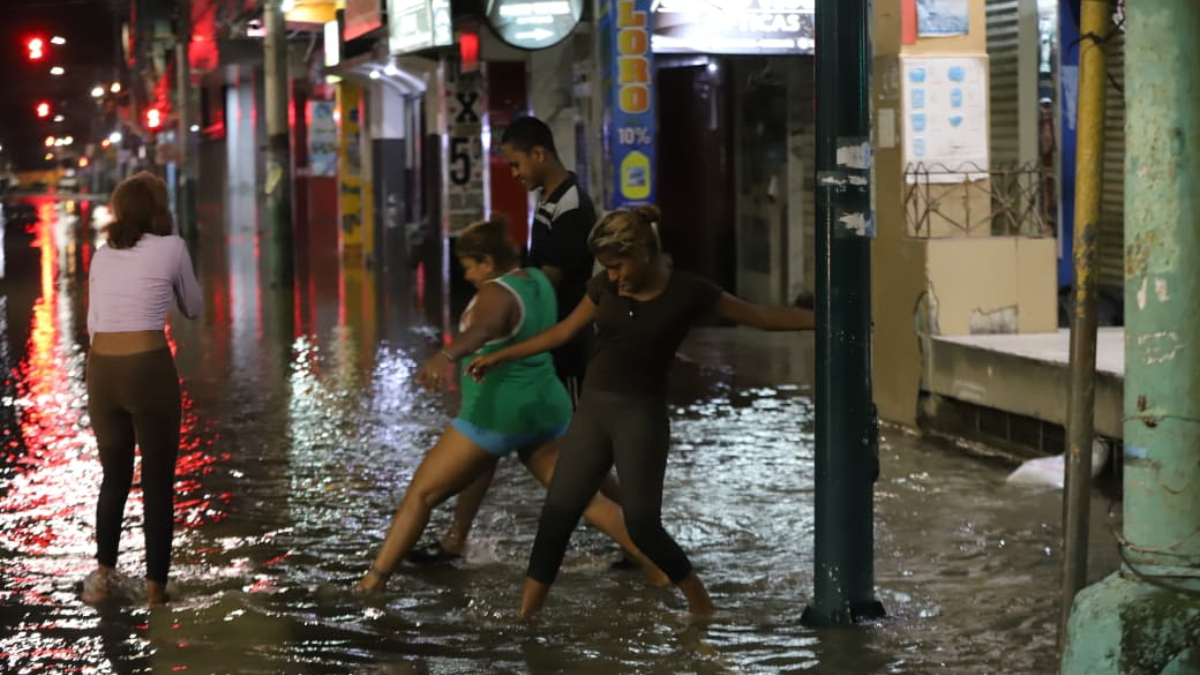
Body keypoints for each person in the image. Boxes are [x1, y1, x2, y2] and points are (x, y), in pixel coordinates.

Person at [468, 205, 816, 621]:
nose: (614, 277)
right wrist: (500, 356)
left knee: (642, 525)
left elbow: (760, 317)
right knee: (557, 515)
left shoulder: (689, 292)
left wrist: (825, 319)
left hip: (640, 418)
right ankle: (526, 618)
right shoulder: (603, 287)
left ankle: (702, 605)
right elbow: (563, 332)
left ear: (644, 253)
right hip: (593, 414)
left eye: (618, 266)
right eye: (607, 268)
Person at [357, 218, 666, 592]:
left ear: (487, 261)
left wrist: (444, 355)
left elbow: (483, 330)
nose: (467, 275)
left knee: (421, 495)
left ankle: (371, 583)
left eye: (469, 266)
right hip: (548, 411)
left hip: (496, 416)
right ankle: (658, 562)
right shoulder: (538, 280)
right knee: (585, 499)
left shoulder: (495, 294)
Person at [409, 116, 607, 565]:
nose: (514, 174)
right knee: (489, 436)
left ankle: (636, 531)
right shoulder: (551, 200)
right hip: (535, 342)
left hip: (558, 345)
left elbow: (547, 280)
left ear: (539, 153)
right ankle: (455, 540)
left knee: (576, 457)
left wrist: (504, 301)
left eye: (516, 164)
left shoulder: (571, 206)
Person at [82, 172, 202, 605]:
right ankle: (155, 594)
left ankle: (102, 578)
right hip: (147, 368)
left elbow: (93, 325)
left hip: (101, 371)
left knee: (114, 477)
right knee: (157, 481)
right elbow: (193, 308)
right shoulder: (173, 248)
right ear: (159, 209)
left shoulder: (100, 255)